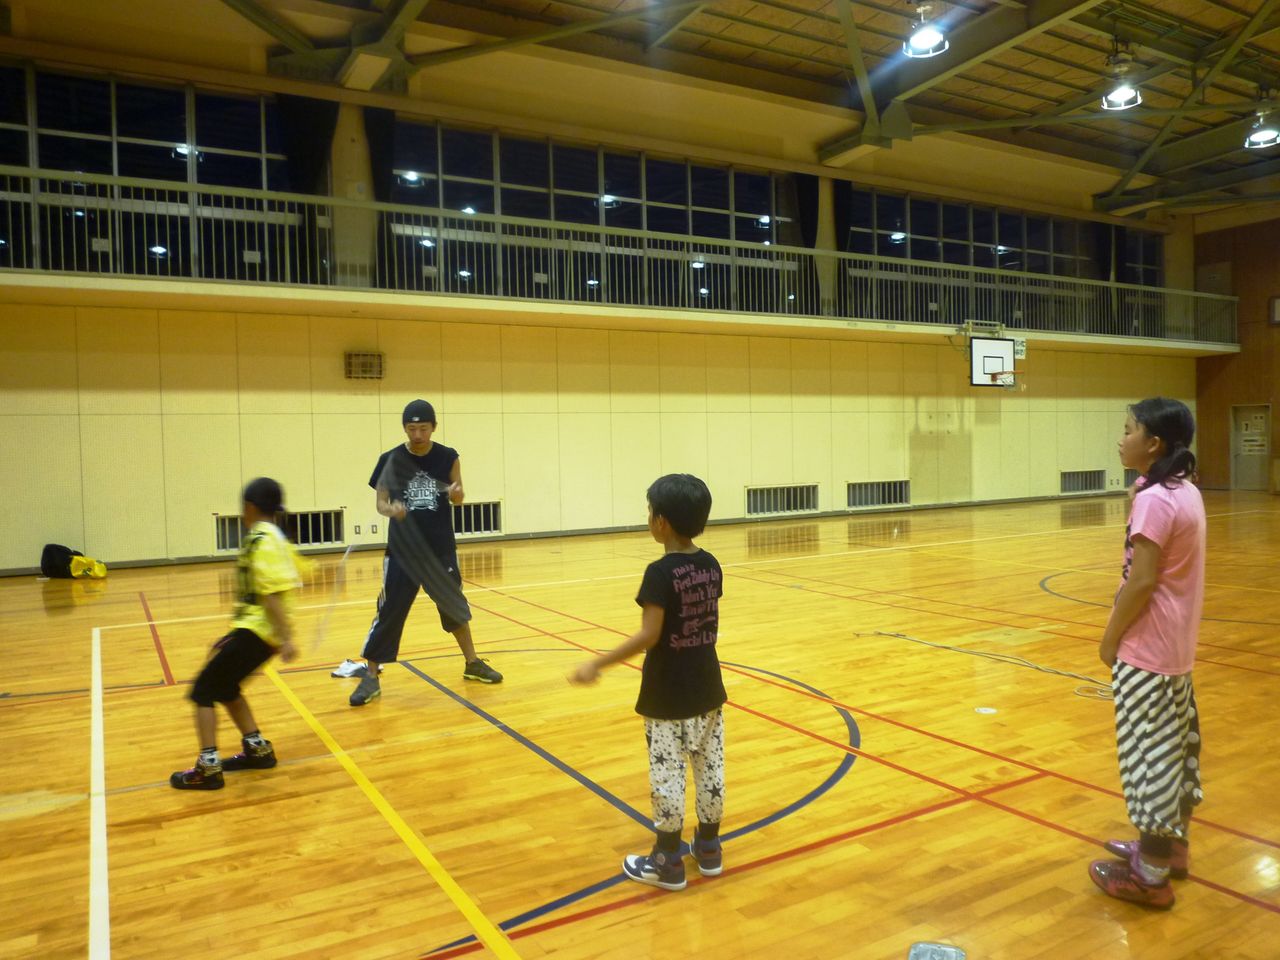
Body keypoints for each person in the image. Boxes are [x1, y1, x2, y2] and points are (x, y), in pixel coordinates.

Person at [569, 474, 726, 891]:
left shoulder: (659, 573)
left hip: (667, 695)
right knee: (710, 769)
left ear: (661, 522)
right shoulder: (711, 565)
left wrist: (598, 664)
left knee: (668, 776)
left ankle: (667, 860)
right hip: (709, 687)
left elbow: (649, 635)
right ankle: (709, 848)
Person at [1090, 398, 1206, 909]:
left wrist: (1110, 638)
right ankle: (1171, 849)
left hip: (1147, 649)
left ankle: (1150, 876)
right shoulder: (1183, 491)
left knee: (1149, 760)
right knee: (1177, 751)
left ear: (1153, 443)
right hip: (1175, 648)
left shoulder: (1156, 500)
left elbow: (1140, 582)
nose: (1121, 439)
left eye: (1128, 429)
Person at [339, 399, 502, 707]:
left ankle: (472, 663)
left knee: (454, 607)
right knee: (389, 612)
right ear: (405, 428)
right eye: (412, 429)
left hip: (440, 550)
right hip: (402, 552)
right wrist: (392, 510)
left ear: (433, 428)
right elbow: (381, 503)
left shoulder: (448, 457)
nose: (417, 435)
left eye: (423, 428)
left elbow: (458, 497)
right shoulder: (390, 460)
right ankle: (371, 677)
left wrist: (457, 493)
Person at [171, 477, 300, 790]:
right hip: (257, 632)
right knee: (227, 687)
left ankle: (208, 767)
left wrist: (286, 637)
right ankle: (258, 750)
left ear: (249, 507)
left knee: (203, 691)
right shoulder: (272, 537)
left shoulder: (262, 540)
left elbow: (270, 593)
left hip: (257, 632)